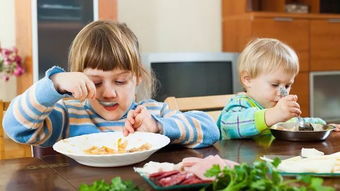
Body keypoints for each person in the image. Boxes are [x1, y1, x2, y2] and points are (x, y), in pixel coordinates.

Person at [3, 20, 219, 148]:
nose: (109, 93)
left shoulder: (152, 113)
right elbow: (15, 127)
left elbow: (210, 130)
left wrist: (158, 126)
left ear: (137, 78)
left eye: (121, 81)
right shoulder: (67, 116)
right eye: (95, 83)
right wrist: (54, 83)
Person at [217, 38, 340, 140]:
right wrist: (274, 114)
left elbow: (296, 124)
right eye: (275, 84)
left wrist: (323, 125)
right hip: (237, 164)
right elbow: (230, 126)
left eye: (287, 85)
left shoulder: (277, 108)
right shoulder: (240, 103)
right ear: (247, 80)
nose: (284, 92)